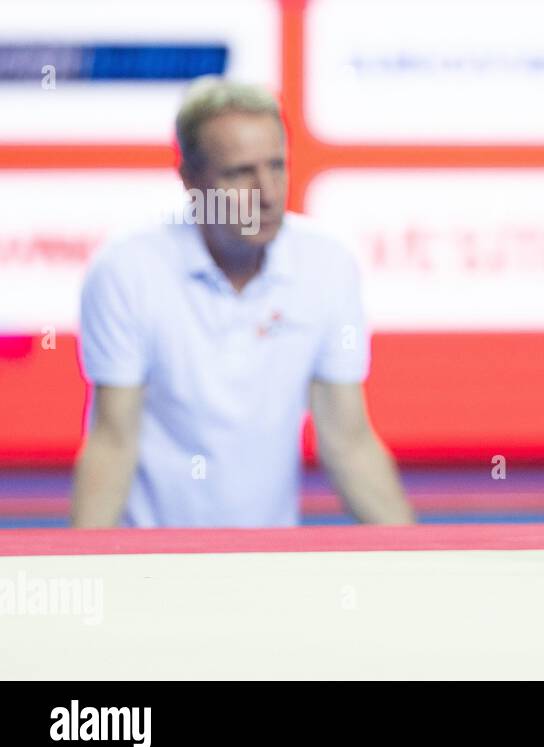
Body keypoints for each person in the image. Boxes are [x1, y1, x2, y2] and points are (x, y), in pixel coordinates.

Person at [71, 77, 413, 527]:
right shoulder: (126, 271)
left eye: (276, 166)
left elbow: (346, 439)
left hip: (270, 561)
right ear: (190, 179)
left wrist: (422, 564)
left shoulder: (327, 265)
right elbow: (113, 441)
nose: (268, 194)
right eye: (239, 173)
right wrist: (86, 572)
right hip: (151, 563)